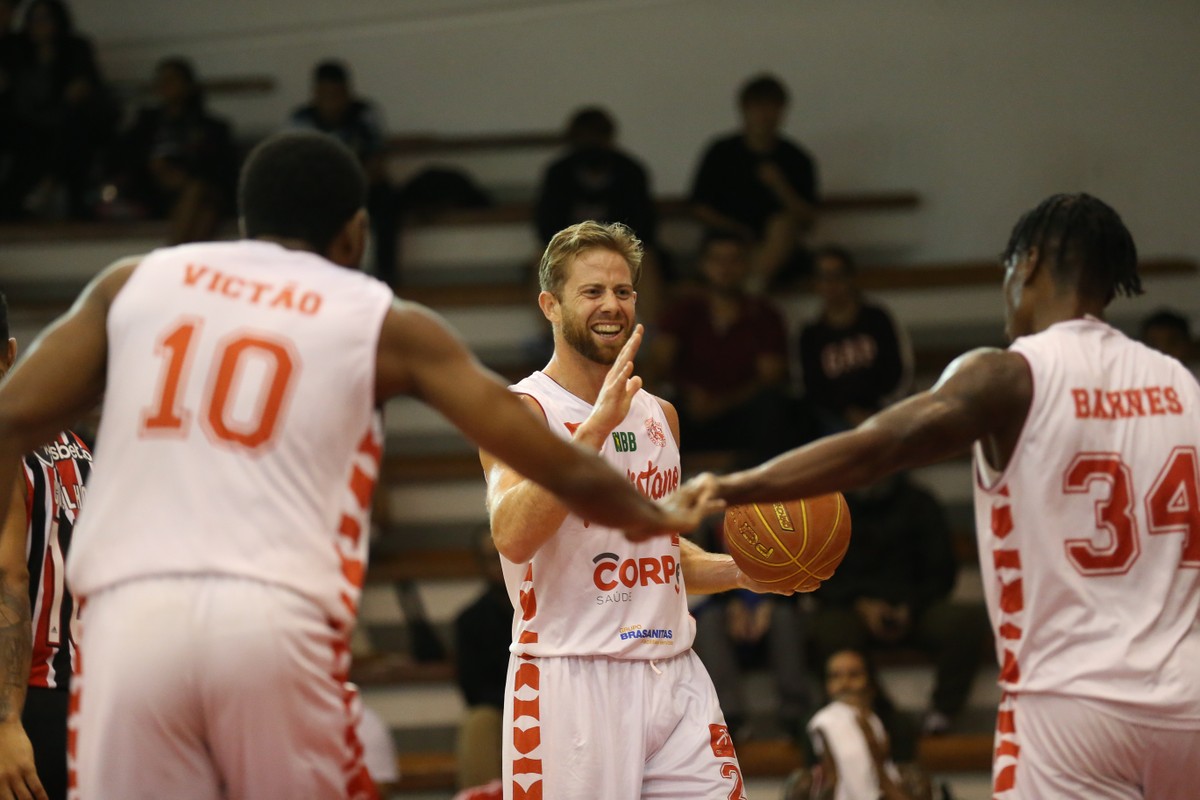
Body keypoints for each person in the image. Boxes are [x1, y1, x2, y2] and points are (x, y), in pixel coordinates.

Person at [0, 131, 717, 799]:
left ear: (245, 223)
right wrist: (659, 510)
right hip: (269, 617)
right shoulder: (375, 313)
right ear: (355, 234)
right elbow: (535, 452)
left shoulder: (134, 283)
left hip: (127, 625)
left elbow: (10, 419)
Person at [707, 193, 1200, 798]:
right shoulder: (1180, 382)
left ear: (1032, 261)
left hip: (1073, 704)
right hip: (1188, 701)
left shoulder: (1010, 374)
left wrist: (734, 486)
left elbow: (874, 447)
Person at [480, 220, 810, 800]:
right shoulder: (522, 412)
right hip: (572, 681)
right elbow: (511, 535)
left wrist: (746, 570)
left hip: (673, 670)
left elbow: (659, 551)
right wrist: (594, 429)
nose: (612, 305)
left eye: (624, 291)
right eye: (592, 292)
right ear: (550, 306)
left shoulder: (661, 415)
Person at [0, 290, 93, 800]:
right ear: (11, 353)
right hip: (84, 702)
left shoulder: (4, 444)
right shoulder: (74, 444)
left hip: (21, 703)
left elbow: (8, 576)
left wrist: (5, 724)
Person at [811, 472, 989, 735]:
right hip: (853, 609)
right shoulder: (834, 508)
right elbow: (820, 576)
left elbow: (943, 571)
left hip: (917, 609)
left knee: (966, 621)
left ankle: (941, 713)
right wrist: (860, 603)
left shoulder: (920, 503)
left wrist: (910, 607)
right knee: (827, 630)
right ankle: (878, 713)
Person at [647, 231, 793, 456]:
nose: (725, 268)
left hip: (741, 413)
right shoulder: (684, 310)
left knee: (773, 405)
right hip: (691, 411)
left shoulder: (765, 315)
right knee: (655, 402)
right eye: (717, 260)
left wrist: (721, 402)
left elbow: (770, 377)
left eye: (734, 259)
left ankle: (760, 486)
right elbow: (658, 363)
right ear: (703, 265)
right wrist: (688, 394)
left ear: (746, 265)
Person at [534, 106, 665, 320]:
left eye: (596, 135)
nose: (591, 142)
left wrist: (612, 245)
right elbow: (545, 226)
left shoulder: (631, 171)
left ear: (609, 137)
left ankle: (649, 331)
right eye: (584, 137)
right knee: (541, 259)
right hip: (571, 248)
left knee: (648, 259)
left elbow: (644, 225)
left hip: (621, 247)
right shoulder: (558, 173)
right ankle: (549, 333)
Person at [690, 73, 818, 290]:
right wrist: (735, 229)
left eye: (771, 107)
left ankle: (750, 289)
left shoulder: (796, 158)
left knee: (782, 225)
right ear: (744, 110)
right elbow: (699, 207)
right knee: (727, 249)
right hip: (728, 239)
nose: (764, 115)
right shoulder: (721, 152)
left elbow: (808, 219)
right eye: (758, 107)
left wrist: (781, 186)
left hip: (778, 249)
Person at [103, 57, 238, 243]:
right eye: (161, 80)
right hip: (154, 190)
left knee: (198, 191)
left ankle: (169, 256)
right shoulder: (146, 122)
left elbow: (220, 166)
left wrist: (182, 175)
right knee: (206, 211)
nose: (166, 86)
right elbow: (125, 156)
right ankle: (178, 257)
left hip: (198, 185)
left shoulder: (210, 126)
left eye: (172, 80)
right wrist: (157, 169)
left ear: (188, 85)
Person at [289, 59, 397, 286]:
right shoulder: (300, 121)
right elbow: (296, 169)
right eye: (325, 95)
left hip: (360, 186)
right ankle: (306, 278)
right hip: (316, 191)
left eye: (336, 95)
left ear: (347, 93)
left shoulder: (365, 115)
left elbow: (377, 162)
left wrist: (351, 188)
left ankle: (387, 275)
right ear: (315, 94)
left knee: (388, 201)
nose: (331, 103)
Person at [798, 246, 913, 431]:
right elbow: (812, 389)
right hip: (834, 419)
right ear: (814, 283)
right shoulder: (810, 334)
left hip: (883, 410)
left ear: (851, 277)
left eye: (837, 275)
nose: (831, 284)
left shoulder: (878, 319)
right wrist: (847, 412)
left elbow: (898, 371)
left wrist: (875, 409)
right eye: (823, 277)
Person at [452, 531, 511, 789]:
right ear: (480, 565)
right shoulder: (470, 620)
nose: (498, 565)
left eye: (503, 556)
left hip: (554, 705)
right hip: (501, 712)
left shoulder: (551, 608)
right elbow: (472, 690)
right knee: (478, 722)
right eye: (490, 559)